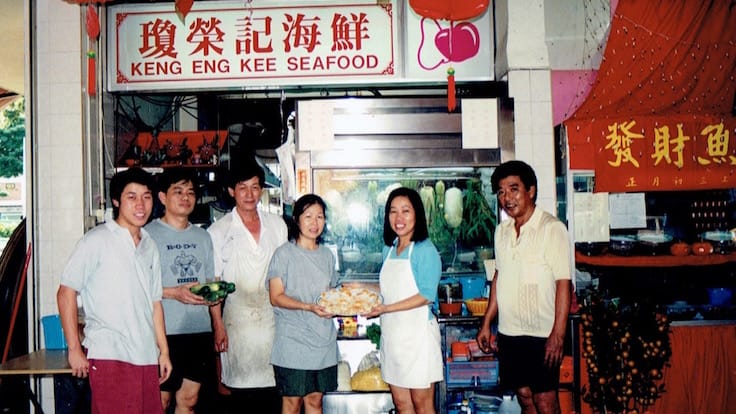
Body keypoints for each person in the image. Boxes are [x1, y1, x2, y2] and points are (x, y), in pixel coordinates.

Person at [56, 167, 172, 414]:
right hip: (110, 356)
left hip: (145, 354)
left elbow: (154, 303)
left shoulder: (150, 244)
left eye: (146, 196)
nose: (141, 204)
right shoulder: (97, 240)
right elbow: (66, 292)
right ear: (117, 201)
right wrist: (74, 349)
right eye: (131, 197)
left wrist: (163, 351)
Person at [476, 160, 572, 414]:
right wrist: (487, 322)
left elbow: (564, 283)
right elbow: (499, 276)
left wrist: (558, 336)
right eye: (500, 191)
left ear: (531, 191)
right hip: (510, 332)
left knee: (545, 401)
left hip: (543, 333)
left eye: (513, 189)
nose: (506, 198)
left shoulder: (552, 229)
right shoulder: (501, 231)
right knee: (524, 396)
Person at [207, 161, 288, 413]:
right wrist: (218, 325)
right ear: (232, 191)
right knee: (240, 394)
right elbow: (214, 286)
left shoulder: (277, 225)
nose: (250, 194)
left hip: (273, 320)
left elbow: (285, 275)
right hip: (237, 323)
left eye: (255, 187)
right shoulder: (218, 231)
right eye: (243, 188)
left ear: (262, 190)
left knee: (274, 392)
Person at [144, 168, 217, 414]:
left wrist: (218, 324)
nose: (186, 197)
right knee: (160, 402)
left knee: (190, 401)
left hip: (199, 330)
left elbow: (210, 282)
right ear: (163, 197)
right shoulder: (147, 235)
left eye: (190, 192)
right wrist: (174, 292)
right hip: (164, 332)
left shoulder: (203, 236)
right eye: (178, 191)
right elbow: (139, 285)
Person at [365, 187, 443, 414]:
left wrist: (386, 308)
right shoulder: (388, 250)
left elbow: (426, 295)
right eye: (393, 211)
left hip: (418, 338)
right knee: (402, 405)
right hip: (393, 338)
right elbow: (390, 289)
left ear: (417, 214)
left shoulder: (425, 250)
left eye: (405, 211)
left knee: (422, 405)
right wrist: (357, 291)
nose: (399, 218)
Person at [266, 194, 339, 414]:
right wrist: (307, 307)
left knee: (315, 401)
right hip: (293, 342)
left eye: (319, 217)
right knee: (292, 403)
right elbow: (275, 296)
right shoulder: (283, 254)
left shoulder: (328, 256)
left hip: (323, 341)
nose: (314, 223)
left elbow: (331, 293)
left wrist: (338, 303)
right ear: (297, 219)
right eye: (308, 216)